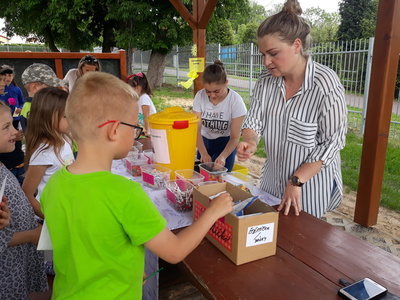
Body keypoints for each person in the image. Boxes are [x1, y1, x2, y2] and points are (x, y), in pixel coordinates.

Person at [40, 72, 233, 300]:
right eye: (134, 126)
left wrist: (125, 266)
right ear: (113, 130)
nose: (136, 132)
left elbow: (86, 239)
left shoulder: (54, 184)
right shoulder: (125, 193)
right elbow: (174, 251)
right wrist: (213, 212)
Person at [237, 0, 347, 218]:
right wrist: (249, 141)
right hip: (271, 181)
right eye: (263, 55)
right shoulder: (266, 80)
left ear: (297, 45)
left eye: (273, 53)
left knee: (302, 242)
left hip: (307, 188)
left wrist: (297, 180)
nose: (266, 62)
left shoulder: (325, 84)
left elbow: (332, 142)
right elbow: (254, 121)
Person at [0, 101, 48, 298]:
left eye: (12, 124)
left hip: (19, 260)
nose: (15, 132)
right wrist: (31, 235)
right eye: (6, 127)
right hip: (7, 271)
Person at [22, 87, 74, 219]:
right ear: (48, 117)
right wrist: (49, 218)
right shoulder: (43, 153)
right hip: (51, 215)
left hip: (66, 208)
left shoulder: (64, 138)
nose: (71, 119)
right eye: (65, 116)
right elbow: (27, 193)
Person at [193, 60, 247, 172]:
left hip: (226, 144)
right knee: (201, 177)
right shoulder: (200, 96)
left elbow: (235, 137)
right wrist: (203, 152)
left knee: (220, 179)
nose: (212, 96)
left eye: (217, 91)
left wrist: (223, 156)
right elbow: (196, 130)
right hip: (204, 142)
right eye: (208, 91)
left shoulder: (236, 101)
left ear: (226, 82)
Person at [20, 63, 66, 133]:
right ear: (34, 87)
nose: (54, 91)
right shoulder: (37, 110)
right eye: (50, 87)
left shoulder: (34, 106)